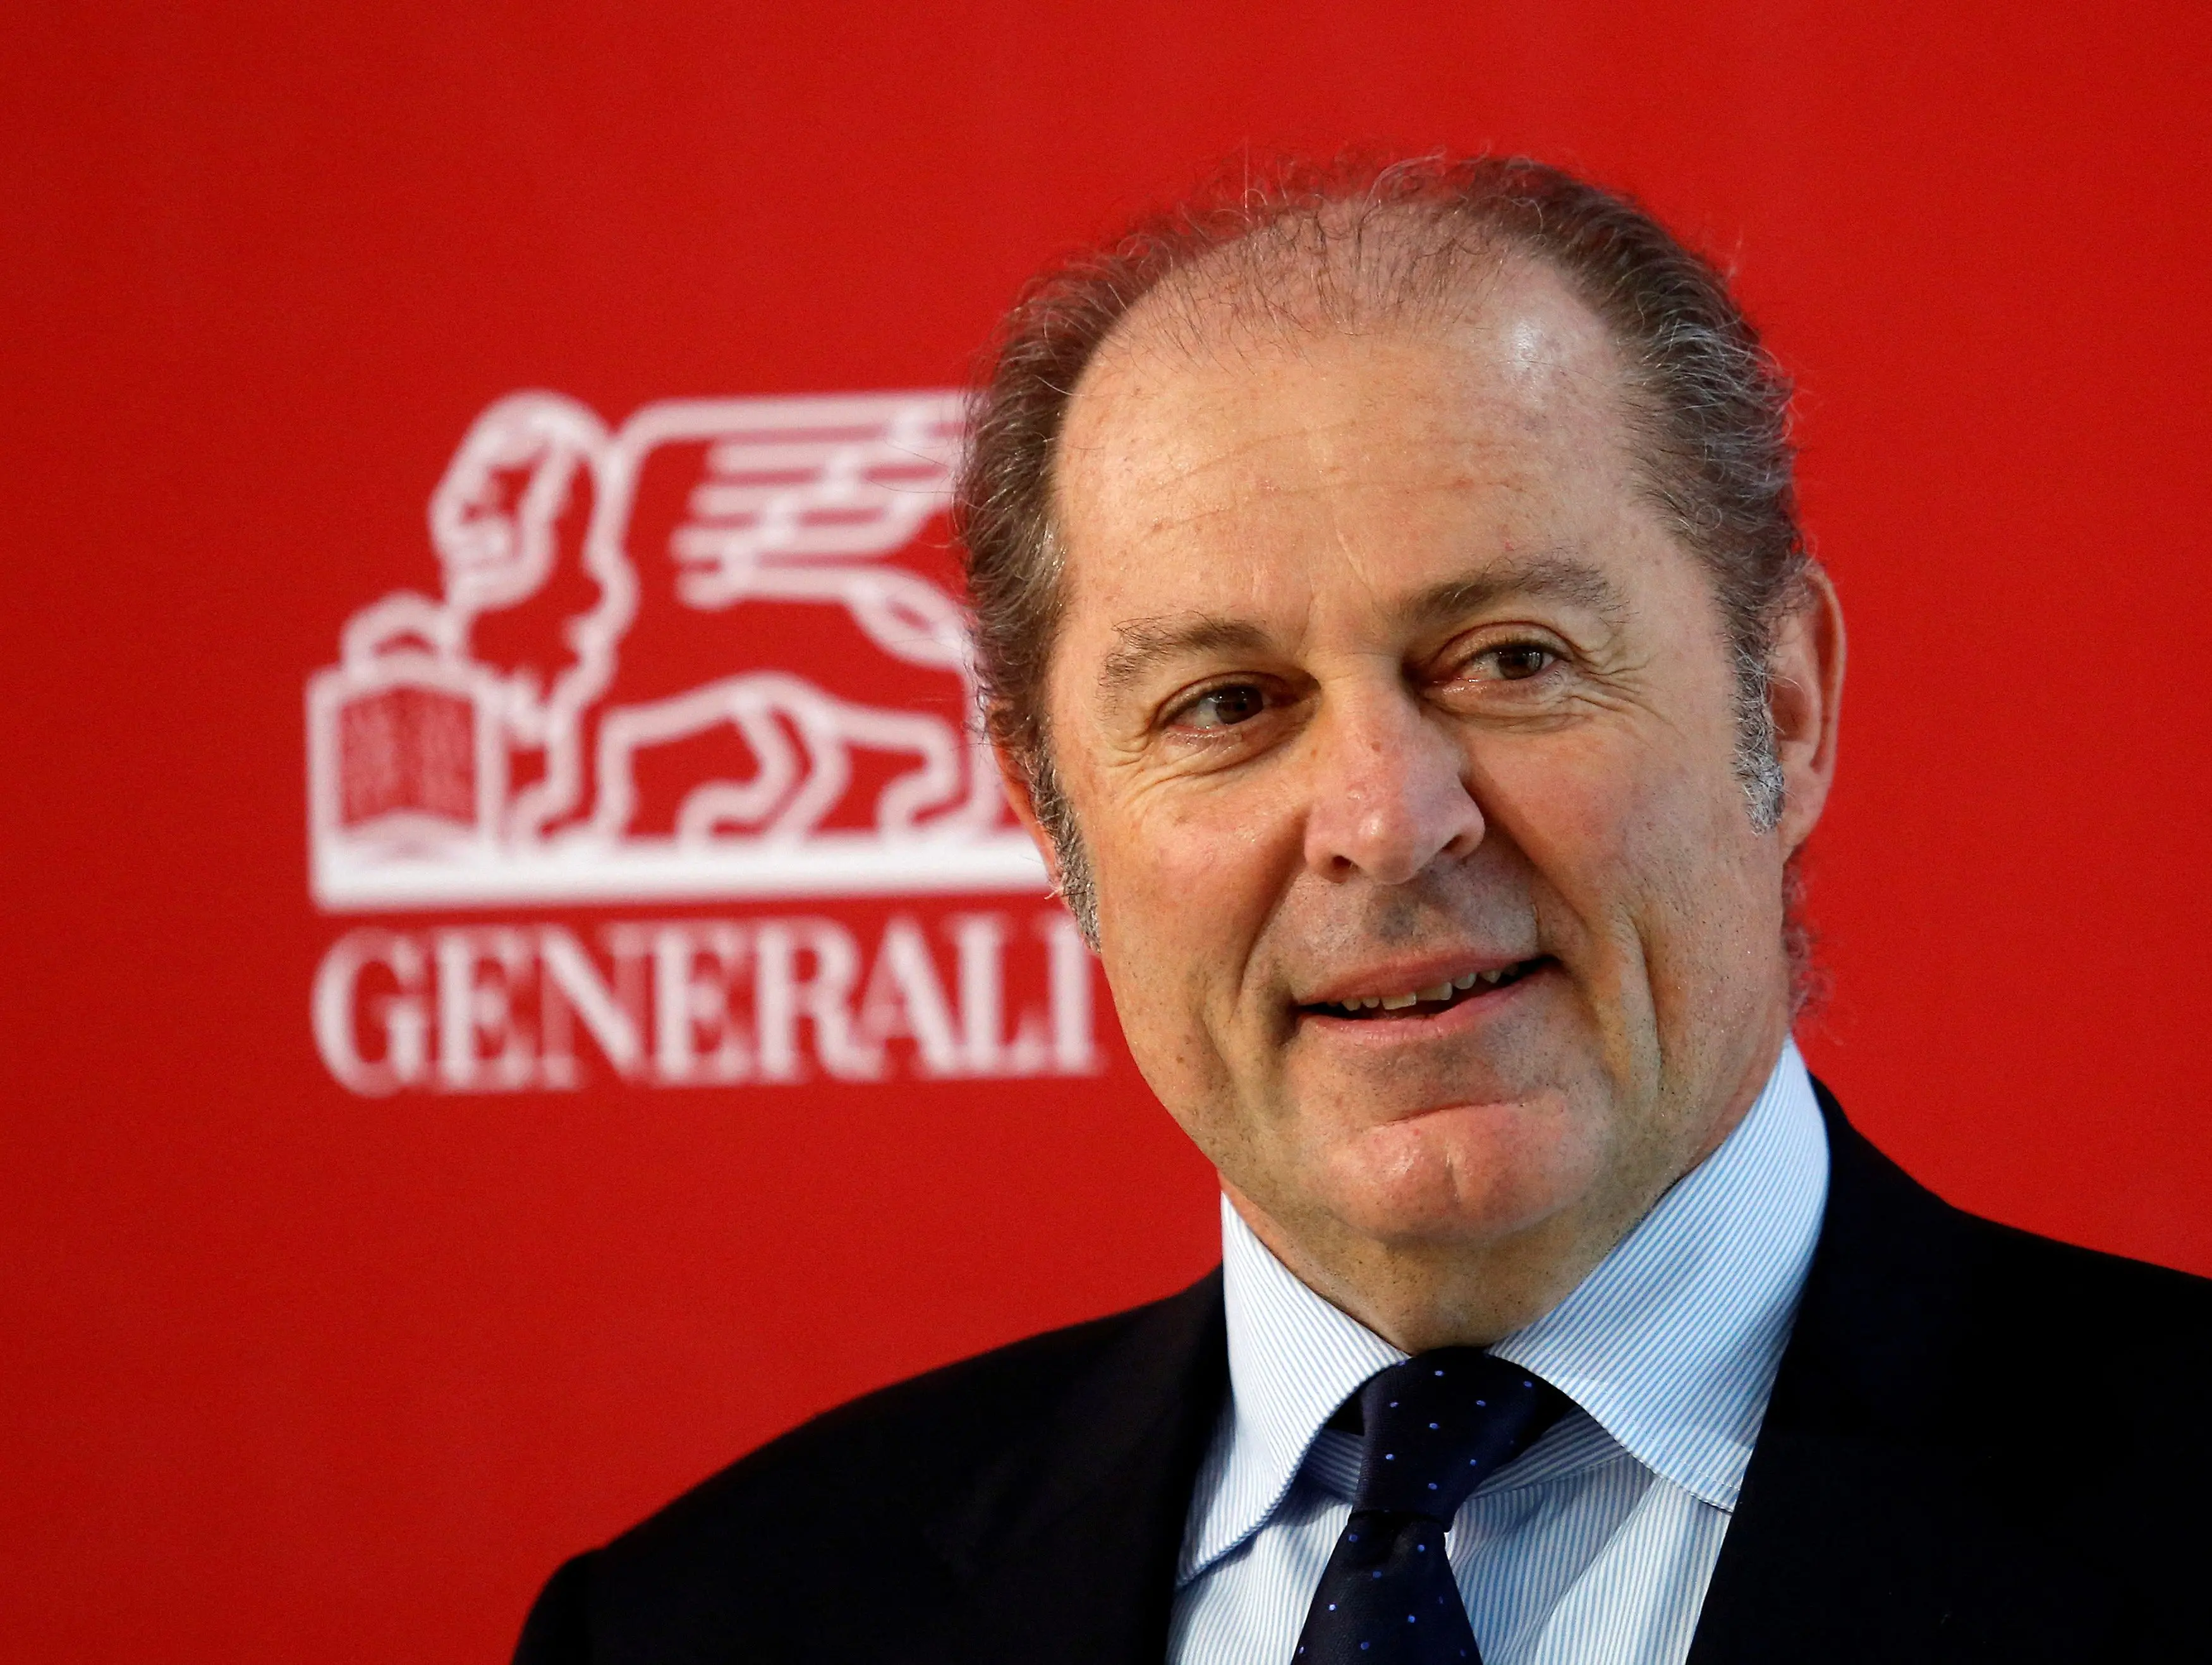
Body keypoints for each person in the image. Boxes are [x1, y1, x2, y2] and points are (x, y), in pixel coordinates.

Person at [511, 155, 2210, 1664]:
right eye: (1227, 704)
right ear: (1049, 820)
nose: (1388, 823)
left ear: (1784, 705)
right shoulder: (709, 1622)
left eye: (1508, 661)